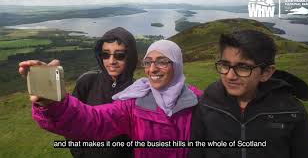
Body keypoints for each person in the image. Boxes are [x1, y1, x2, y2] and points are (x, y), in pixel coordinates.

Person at [19, 40, 203, 158]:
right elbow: (92, 119)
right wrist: (53, 102)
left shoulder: (199, 103)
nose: (152, 69)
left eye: (162, 61)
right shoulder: (133, 103)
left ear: (177, 66)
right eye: (148, 62)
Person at [189, 30, 308, 158]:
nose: (230, 76)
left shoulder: (290, 109)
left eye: (243, 67)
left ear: (266, 73)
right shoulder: (208, 102)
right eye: (225, 65)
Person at [70, 27, 137, 158]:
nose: (111, 61)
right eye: (105, 55)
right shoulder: (87, 82)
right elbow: (72, 121)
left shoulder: (136, 90)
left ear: (130, 57)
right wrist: (80, 153)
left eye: (120, 55)